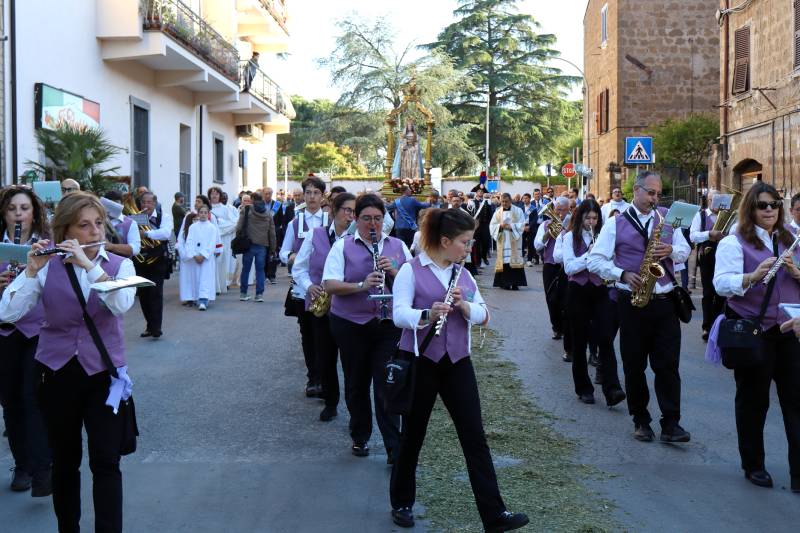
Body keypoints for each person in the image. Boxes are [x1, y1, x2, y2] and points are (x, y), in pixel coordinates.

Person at [0, 192, 137, 533]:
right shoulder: (48, 267)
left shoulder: (119, 265)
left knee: (106, 461)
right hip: (56, 373)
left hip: (103, 374)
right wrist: (30, 271)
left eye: (99, 223)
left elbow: (120, 304)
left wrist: (90, 266)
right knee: (64, 461)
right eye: (84, 225)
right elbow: (8, 313)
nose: (95, 232)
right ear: (65, 232)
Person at [389, 207, 529, 532]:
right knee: (413, 436)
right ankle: (402, 502)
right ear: (445, 241)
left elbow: (484, 314)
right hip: (422, 362)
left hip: (457, 363)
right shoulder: (411, 270)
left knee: (474, 437)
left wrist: (465, 307)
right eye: (465, 242)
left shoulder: (463, 275)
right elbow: (398, 314)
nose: (469, 248)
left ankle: (494, 515)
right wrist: (426, 315)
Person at [588, 171, 691, 443]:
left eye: (659, 194)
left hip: (665, 301)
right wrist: (621, 274)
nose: (655, 199)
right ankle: (641, 420)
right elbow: (595, 260)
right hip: (631, 303)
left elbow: (685, 250)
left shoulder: (669, 217)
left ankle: (671, 423)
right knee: (634, 365)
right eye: (651, 193)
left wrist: (671, 251)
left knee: (668, 366)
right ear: (636, 190)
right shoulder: (615, 223)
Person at [713, 182, 800, 492]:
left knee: (796, 402)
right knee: (753, 401)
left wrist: (797, 273)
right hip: (755, 331)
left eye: (774, 204)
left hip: (789, 331)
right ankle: (753, 464)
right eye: (762, 205)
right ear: (750, 208)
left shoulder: (792, 239)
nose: (769, 210)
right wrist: (751, 276)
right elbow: (721, 283)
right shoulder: (734, 242)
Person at [322, 193, 411, 461]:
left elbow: (414, 285)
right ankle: (359, 436)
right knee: (357, 383)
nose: (373, 224)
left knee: (387, 383)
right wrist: (362, 285)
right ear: (356, 219)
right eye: (366, 218)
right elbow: (329, 284)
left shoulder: (397, 246)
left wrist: (394, 272)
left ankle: (394, 447)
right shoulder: (343, 246)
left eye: (378, 218)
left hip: (387, 325)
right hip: (351, 324)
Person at [0, 186, 53, 496]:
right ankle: (21, 464)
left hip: (37, 329)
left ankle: (41, 465)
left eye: (24, 208)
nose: (18, 214)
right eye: (12, 209)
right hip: (4, 331)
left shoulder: (46, 245)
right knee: (10, 401)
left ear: (35, 213)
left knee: (32, 397)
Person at [293, 192, 356, 422]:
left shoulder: (357, 239)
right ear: (333, 211)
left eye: (354, 211)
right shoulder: (315, 234)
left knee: (351, 362)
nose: (351, 216)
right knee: (325, 358)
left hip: (349, 308)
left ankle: (355, 409)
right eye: (347, 210)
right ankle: (331, 402)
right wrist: (309, 286)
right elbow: (299, 268)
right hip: (321, 307)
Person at [561, 199, 626, 407]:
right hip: (578, 291)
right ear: (580, 217)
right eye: (587, 217)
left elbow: (611, 262)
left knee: (606, 338)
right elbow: (569, 268)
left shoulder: (603, 237)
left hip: (599, 289)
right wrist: (589, 255)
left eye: (595, 218)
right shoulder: (569, 238)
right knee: (579, 341)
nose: (591, 222)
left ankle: (612, 388)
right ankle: (584, 388)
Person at [280, 176, 330, 397]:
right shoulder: (295, 222)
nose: (311, 197)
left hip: (326, 287)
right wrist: (291, 256)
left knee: (325, 336)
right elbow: (283, 252)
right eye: (308, 192)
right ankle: (313, 378)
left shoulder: (329, 221)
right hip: (302, 287)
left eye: (316, 193)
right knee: (308, 334)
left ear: (322, 196)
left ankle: (326, 380)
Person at [134, 191, 172, 339]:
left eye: (149, 202)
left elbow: (166, 233)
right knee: (143, 294)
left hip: (158, 259)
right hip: (141, 259)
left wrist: (147, 234)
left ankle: (156, 328)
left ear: (154, 204)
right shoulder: (137, 217)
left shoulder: (163, 217)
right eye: (143, 202)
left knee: (155, 293)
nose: (146, 205)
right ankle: (149, 326)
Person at [690, 190, 726, 341]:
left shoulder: (727, 215)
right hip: (707, 256)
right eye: (712, 200)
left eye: (718, 200)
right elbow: (693, 236)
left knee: (722, 293)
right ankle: (706, 326)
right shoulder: (701, 215)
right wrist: (709, 234)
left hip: (724, 256)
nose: (715, 203)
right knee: (708, 293)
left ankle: (717, 325)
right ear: (708, 200)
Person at [535, 197, 570, 339]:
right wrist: (548, 234)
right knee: (551, 298)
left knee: (566, 298)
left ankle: (566, 327)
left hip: (567, 266)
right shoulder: (545, 224)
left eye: (563, 210)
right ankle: (556, 327)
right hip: (550, 265)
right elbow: (537, 246)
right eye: (557, 210)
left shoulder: (573, 223)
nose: (560, 213)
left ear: (568, 210)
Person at [176, 205, 219, 310]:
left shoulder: (212, 228)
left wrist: (203, 255)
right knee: (196, 278)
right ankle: (196, 298)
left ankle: (203, 300)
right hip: (195, 258)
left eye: (205, 212)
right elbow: (189, 242)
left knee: (205, 278)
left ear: (208, 214)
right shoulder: (192, 227)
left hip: (206, 258)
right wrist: (194, 254)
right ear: (198, 214)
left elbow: (212, 243)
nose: (203, 214)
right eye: (201, 212)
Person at [236, 192, 276, 302]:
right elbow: (272, 232)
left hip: (248, 244)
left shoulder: (246, 210)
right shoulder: (268, 213)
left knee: (246, 269)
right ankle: (259, 295)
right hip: (262, 245)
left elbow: (239, 226)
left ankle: (243, 293)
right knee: (260, 270)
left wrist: (238, 238)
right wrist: (273, 248)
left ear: (252, 200)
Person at [490, 193, 527, 290]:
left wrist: (511, 226)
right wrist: (500, 226)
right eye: (502, 201)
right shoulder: (498, 212)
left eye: (506, 201)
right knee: (504, 261)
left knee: (515, 260)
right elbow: (492, 225)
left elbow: (522, 224)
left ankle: (515, 283)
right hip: (503, 238)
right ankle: (504, 283)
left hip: (514, 239)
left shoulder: (518, 210)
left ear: (511, 201)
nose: (504, 203)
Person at [208, 187, 238, 294]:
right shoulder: (207, 209)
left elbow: (234, 223)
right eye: (212, 194)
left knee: (223, 261)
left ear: (220, 196)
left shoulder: (225, 209)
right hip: (210, 239)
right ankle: (212, 284)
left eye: (216, 194)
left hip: (224, 239)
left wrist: (220, 227)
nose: (214, 196)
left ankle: (223, 283)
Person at [101, 190, 140, 259]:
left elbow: (136, 249)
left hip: (122, 263)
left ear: (122, 204)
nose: (113, 207)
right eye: (110, 204)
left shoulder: (131, 223)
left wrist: (111, 246)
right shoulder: (98, 220)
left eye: (116, 204)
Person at [262, 187, 282, 284]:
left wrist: (276, 230)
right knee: (263, 254)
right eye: (266, 193)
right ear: (263, 194)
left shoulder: (277, 205)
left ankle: (272, 275)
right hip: (262, 233)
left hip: (274, 233)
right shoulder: (260, 205)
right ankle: (264, 275)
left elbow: (280, 219)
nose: (268, 195)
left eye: (270, 193)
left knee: (273, 253)